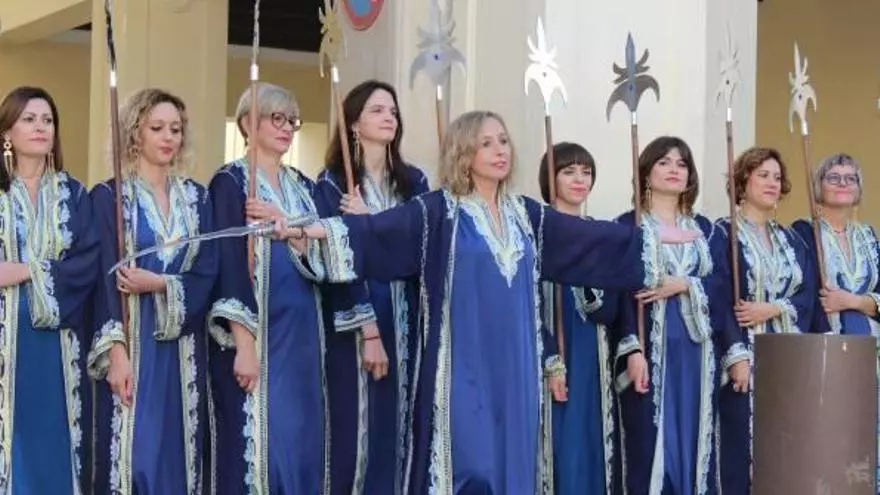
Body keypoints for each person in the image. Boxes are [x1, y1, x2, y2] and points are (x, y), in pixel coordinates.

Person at [294, 111, 699, 494]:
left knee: (513, 461)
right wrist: (312, 232)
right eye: (486, 143)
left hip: (517, 367)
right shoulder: (438, 212)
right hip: (461, 365)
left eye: (503, 141)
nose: (500, 150)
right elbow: (378, 234)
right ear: (464, 153)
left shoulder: (526, 216)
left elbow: (586, 240)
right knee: (471, 465)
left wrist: (650, 238)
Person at [89, 88, 217, 494]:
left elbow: (208, 271)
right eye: (157, 128)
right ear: (135, 133)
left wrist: (160, 283)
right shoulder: (108, 198)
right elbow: (102, 280)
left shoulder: (198, 198)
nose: (168, 137)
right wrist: (116, 353)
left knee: (177, 454)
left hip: (183, 349)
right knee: (134, 453)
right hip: (133, 343)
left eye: (175, 129)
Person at [207, 82, 330, 494]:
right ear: (248, 123)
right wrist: (244, 344)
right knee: (262, 442)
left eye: (292, 120)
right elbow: (228, 264)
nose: (287, 128)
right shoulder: (230, 182)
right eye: (276, 118)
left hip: (303, 333)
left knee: (301, 440)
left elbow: (325, 251)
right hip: (261, 332)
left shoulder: (304, 186)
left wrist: (289, 227)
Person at [314, 79, 429, 495]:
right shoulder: (332, 184)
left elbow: (423, 247)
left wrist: (371, 225)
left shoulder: (415, 182)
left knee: (403, 430)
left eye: (393, 111)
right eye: (377, 110)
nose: (388, 118)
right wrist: (370, 331)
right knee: (357, 434)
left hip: (408, 315)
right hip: (358, 319)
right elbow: (337, 262)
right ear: (353, 123)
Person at [614, 136, 744, 495]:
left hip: (698, 353)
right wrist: (632, 350)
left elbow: (722, 288)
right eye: (664, 162)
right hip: (652, 350)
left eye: (682, 163)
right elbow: (622, 294)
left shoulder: (707, 230)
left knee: (696, 439)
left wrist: (684, 284)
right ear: (646, 172)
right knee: (651, 442)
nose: (674, 169)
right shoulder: (628, 226)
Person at [0, 86, 99, 493]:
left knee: (56, 444)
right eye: (28, 119)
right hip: (5, 346)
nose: (40, 127)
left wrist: (25, 270)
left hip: (60, 347)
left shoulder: (73, 194)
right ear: (7, 132)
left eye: (47, 120)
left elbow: (86, 264)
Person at [712, 146, 816, 494]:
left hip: (785, 358)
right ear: (743, 181)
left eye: (777, 177)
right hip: (743, 358)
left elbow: (807, 295)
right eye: (763, 176)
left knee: (783, 444)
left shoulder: (792, 240)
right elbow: (720, 297)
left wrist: (773, 308)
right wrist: (736, 355)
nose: (773, 183)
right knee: (740, 445)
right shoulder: (722, 234)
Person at [538, 142, 623, 494]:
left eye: (586, 172)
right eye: (569, 171)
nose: (579, 179)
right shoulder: (537, 230)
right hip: (547, 346)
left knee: (588, 439)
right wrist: (550, 358)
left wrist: (589, 277)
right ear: (550, 178)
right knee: (555, 441)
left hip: (591, 350)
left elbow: (610, 308)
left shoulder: (600, 233)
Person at [792, 152, 880, 490]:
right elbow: (802, 295)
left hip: (871, 353)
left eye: (850, 178)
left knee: (868, 438)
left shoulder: (869, 238)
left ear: (859, 189)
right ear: (818, 186)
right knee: (832, 438)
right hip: (826, 352)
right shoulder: (803, 234)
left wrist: (853, 301)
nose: (843, 183)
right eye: (833, 177)